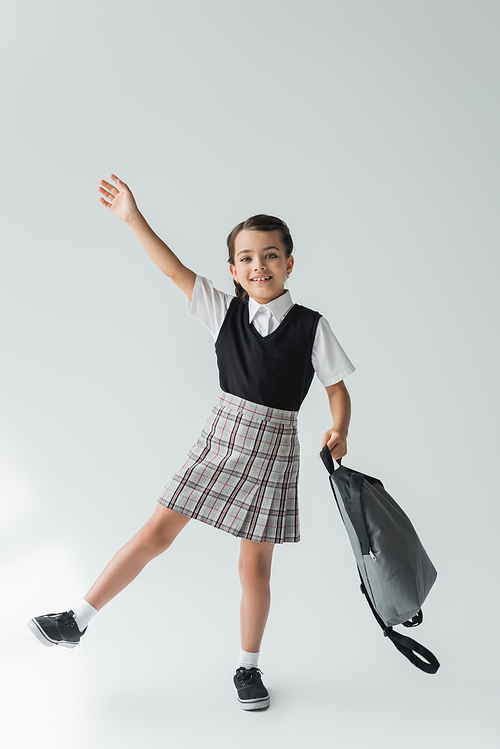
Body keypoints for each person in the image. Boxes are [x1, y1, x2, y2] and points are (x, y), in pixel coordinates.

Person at [27, 174, 356, 711]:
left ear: (289, 263)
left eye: (270, 256)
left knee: (255, 567)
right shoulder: (222, 310)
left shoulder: (312, 327)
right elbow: (172, 268)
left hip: (275, 451)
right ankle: (76, 620)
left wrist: (339, 428)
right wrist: (133, 217)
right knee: (157, 530)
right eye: (247, 259)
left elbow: (338, 390)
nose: (259, 266)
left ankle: (248, 669)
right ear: (233, 270)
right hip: (221, 439)